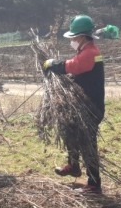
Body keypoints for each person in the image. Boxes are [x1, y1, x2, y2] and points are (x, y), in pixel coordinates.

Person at [43, 14, 105, 194]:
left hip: (91, 108)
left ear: (83, 37)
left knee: (88, 146)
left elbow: (72, 66)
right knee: (69, 130)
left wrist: (53, 64)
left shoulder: (90, 53)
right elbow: (80, 73)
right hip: (81, 105)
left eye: (74, 37)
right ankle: (73, 165)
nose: (73, 40)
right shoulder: (85, 51)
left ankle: (94, 184)